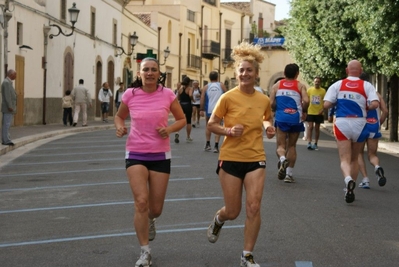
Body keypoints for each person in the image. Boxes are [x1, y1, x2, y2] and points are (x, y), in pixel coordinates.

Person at [206, 41, 275, 267]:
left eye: (249, 70)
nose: (245, 73)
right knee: (233, 211)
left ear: (256, 74)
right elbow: (211, 124)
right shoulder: (227, 98)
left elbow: (266, 118)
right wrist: (227, 130)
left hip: (255, 158)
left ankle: (247, 255)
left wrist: (268, 128)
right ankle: (219, 218)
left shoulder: (264, 99)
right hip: (230, 158)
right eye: (241, 70)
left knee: (254, 206)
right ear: (236, 73)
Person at [114, 57, 186, 267]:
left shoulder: (167, 94)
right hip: (135, 152)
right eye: (146, 69)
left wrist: (170, 129)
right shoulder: (130, 94)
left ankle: (151, 220)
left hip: (160, 155)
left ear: (159, 73)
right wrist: (119, 127)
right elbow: (119, 116)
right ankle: (145, 252)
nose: (150, 73)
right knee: (141, 202)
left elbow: (181, 119)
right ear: (139, 73)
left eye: (154, 70)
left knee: (155, 208)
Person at [324, 60, 379, 203]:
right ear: (360, 71)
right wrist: (366, 105)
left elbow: (326, 104)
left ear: (346, 70)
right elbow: (375, 103)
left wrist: (338, 101)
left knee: (344, 159)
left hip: (342, 123)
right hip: (360, 123)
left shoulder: (337, 85)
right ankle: (350, 189)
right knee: (355, 158)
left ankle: (347, 179)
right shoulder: (367, 85)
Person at [269, 63, 309, 183]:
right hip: (295, 118)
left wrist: (278, 108)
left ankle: (282, 159)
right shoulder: (300, 86)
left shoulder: (277, 85)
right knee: (291, 146)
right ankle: (289, 175)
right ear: (297, 74)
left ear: (284, 73)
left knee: (280, 146)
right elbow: (306, 100)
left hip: (281, 118)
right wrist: (304, 110)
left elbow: (271, 103)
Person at [357, 72, 388, 189]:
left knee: (359, 153)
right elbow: (385, 111)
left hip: (361, 126)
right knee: (372, 154)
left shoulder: (358, 94)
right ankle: (377, 167)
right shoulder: (376, 94)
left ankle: (365, 180)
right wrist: (379, 123)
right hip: (373, 125)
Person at [200, 71, 227, 153]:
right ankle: (216, 146)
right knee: (218, 126)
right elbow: (227, 95)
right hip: (219, 109)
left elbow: (202, 98)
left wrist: (201, 109)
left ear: (209, 78)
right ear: (217, 77)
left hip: (209, 109)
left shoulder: (206, 87)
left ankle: (208, 144)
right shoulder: (221, 85)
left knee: (208, 126)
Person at [306, 77, 326, 150]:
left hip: (319, 112)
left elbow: (324, 101)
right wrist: (305, 110)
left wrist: (322, 110)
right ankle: (309, 142)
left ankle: (316, 143)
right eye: (315, 81)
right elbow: (307, 101)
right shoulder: (309, 90)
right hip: (311, 111)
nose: (316, 83)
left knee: (317, 128)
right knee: (310, 127)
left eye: (318, 81)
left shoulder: (323, 91)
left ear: (320, 82)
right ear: (313, 82)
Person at [1, 69, 17, 146]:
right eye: (15, 74)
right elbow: (7, 96)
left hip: (8, 107)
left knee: (6, 124)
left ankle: (6, 139)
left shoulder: (8, 82)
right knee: (6, 124)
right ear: (11, 75)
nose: (16, 76)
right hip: (8, 108)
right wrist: (10, 106)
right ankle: (6, 140)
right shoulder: (6, 83)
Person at [176, 76, 194, 142]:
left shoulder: (180, 89)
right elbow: (190, 95)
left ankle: (177, 132)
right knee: (188, 121)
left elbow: (178, 98)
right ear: (189, 82)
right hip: (188, 105)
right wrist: (193, 99)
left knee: (179, 120)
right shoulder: (190, 89)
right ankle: (188, 136)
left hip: (181, 105)